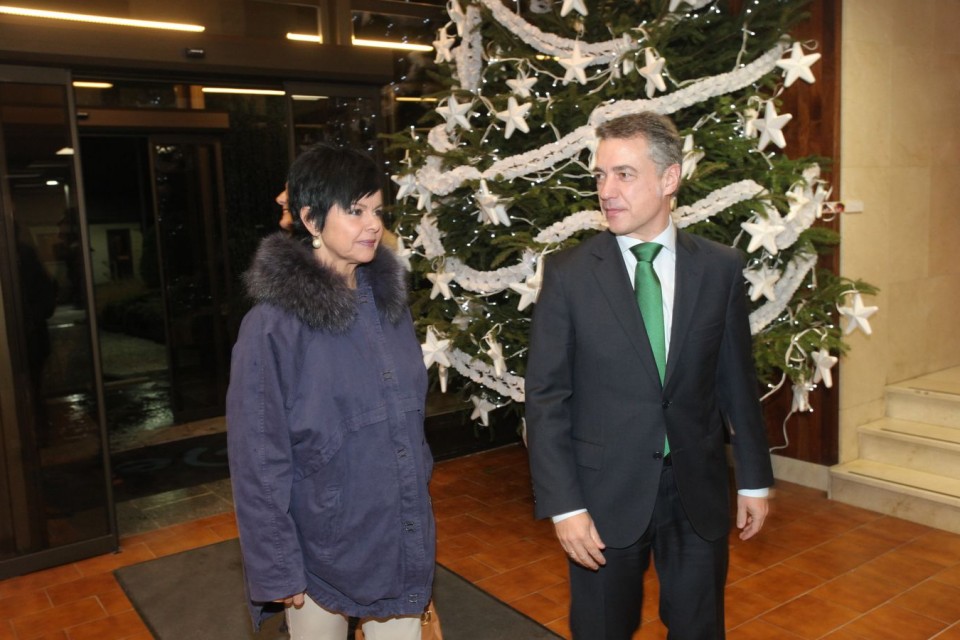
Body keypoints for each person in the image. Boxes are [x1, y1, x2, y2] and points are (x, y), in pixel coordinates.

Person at [525, 112, 774, 640]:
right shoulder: (569, 274)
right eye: (599, 176)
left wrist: (753, 478)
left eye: (624, 174)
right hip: (602, 495)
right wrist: (564, 505)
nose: (607, 191)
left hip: (696, 492)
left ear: (669, 179)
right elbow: (547, 397)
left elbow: (735, 381)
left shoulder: (720, 268)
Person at [227, 143, 434, 639]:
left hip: (397, 536)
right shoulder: (271, 326)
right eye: (356, 210)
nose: (372, 225)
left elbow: (409, 427)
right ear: (312, 219)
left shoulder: (391, 307)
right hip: (319, 552)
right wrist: (277, 565)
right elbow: (258, 458)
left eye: (377, 211)